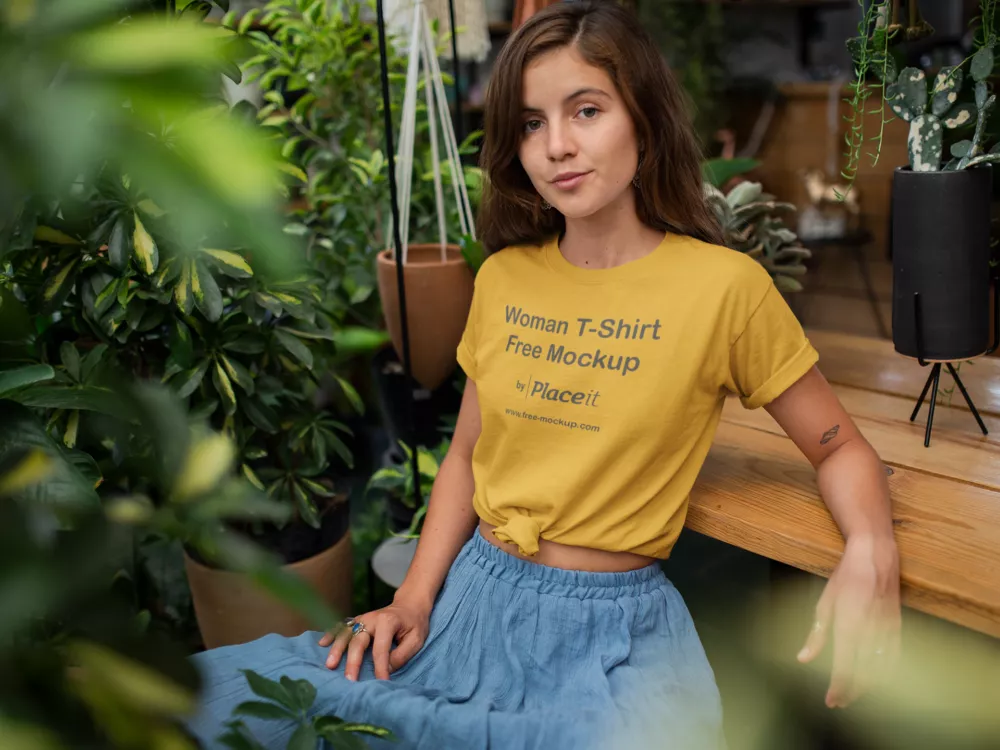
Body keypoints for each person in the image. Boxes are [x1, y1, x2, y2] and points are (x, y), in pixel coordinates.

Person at [183, 2, 901, 748]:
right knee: (216, 706)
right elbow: (466, 453)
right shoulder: (503, 278)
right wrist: (416, 600)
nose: (557, 145)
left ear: (644, 120)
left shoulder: (725, 289)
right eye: (530, 123)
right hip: (471, 605)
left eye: (585, 110)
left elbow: (839, 446)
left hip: (612, 641)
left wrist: (869, 545)